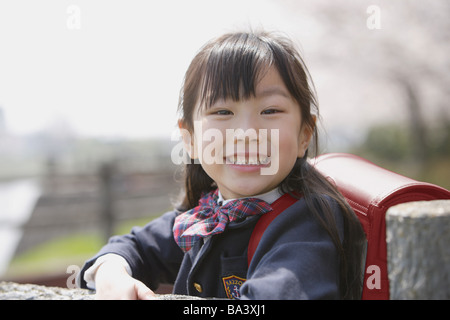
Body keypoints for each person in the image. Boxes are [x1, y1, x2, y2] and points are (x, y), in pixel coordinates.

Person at [77, 30, 366, 300]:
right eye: (223, 111)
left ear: (305, 134)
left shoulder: (307, 226)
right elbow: (136, 246)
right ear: (189, 138)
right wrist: (111, 272)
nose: (246, 133)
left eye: (270, 110)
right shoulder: (206, 212)